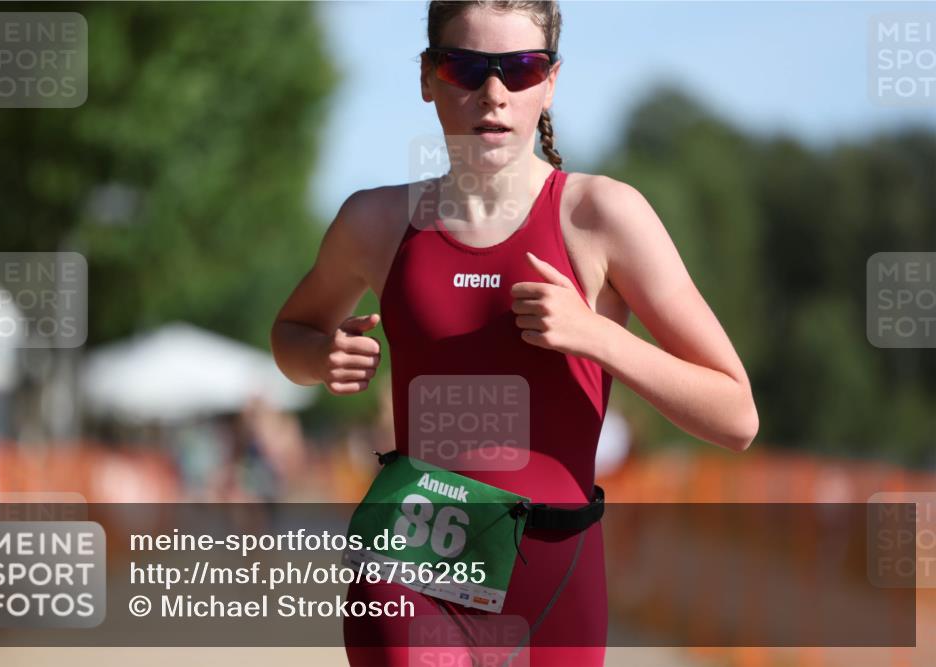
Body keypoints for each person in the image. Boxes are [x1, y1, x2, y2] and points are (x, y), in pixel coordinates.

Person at [270, 1, 759, 664]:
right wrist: (321, 356)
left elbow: (736, 416)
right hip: (410, 562)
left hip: (558, 577)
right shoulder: (376, 221)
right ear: (428, 77)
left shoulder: (602, 216)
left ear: (551, 82)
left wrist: (597, 336)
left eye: (522, 68)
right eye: (466, 67)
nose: (494, 93)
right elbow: (291, 334)